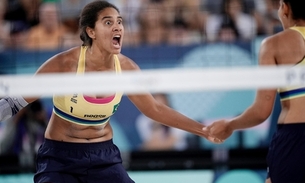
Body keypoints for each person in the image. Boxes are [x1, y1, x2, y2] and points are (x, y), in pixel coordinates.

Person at [0, 1, 215, 182]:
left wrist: (204, 130)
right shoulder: (65, 64)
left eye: (120, 22)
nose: (118, 27)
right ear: (91, 31)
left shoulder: (127, 68)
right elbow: (13, 103)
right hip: (60, 158)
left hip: (103, 157)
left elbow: (156, 109)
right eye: (108, 22)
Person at [203, 0, 305, 183]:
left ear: (286, 8)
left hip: (295, 138)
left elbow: (261, 111)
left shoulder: (274, 44)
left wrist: (230, 125)